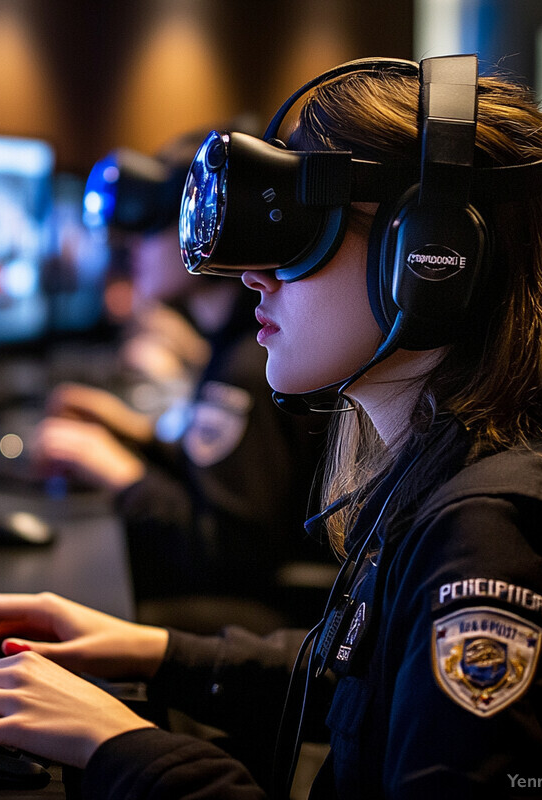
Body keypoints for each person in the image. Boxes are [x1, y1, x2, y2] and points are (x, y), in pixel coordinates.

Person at [0, 56, 542, 798]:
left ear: (429, 257)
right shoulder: (443, 471)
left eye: (305, 237)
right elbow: (365, 682)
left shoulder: (491, 534)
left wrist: (121, 743)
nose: (254, 273)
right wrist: (151, 651)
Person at [30, 132, 329, 621]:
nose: (131, 248)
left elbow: (225, 552)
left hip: (259, 616)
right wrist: (132, 432)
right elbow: (217, 477)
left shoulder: (251, 366)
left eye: (154, 227)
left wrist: (119, 471)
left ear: (216, 224)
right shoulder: (233, 343)